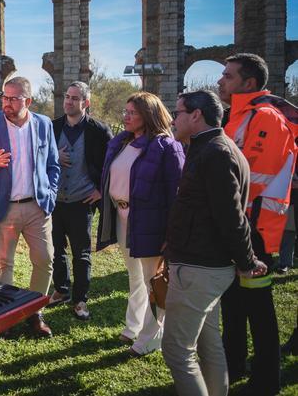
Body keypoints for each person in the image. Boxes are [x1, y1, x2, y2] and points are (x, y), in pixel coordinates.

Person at [162, 90, 267, 396]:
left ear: (196, 115)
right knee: (210, 345)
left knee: (177, 350)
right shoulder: (209, 148)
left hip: (200, 267)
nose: (173, 118)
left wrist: (247, 262)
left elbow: (232, 217)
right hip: (205, 265)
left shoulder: (217, 154)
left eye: (178, 111)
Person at [218, 53, 297, 395]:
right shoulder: (238, 117)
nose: (220, 81)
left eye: (228, 76)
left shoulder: (265, 117)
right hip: (237, 226)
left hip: (256, 231)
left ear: (248, 83)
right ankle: (233, 363)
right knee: (232, 301)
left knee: (259, 308)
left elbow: (253, 180)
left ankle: (266, 379)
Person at [96, 91, 184, 356]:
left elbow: (176, 193)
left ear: (148, 115)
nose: (126, 116)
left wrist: (171, 232)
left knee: (153, 281)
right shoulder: (121, 142)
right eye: (125, 111)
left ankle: (150, 338)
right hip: (123, 218)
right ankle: (133, 326)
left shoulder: (166, 146)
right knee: (135, 277)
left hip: (150, 221)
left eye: (132, 113)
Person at [0, 76, 60, 337]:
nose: (7, 103)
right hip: (3, 207)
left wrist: (50, 195)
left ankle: (35, 313)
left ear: (28, 101)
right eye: (4, 97)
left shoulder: (43, 124)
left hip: (37, 206)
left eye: (13, 98)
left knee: (45, 260)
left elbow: (53, 165)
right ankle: (7, 316)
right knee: (3, 264)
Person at [48, 81, 113, 319]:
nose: (68, 101)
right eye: (67, 96)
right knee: (56, 249)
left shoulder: (99, 130)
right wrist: (55, 154)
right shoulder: (52, 127)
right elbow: (39, 156)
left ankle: (81, 299)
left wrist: (99, 190)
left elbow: (112, 164)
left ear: (86, 103)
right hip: (54, 200)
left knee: (81, 252)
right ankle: (61, 289)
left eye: (75, 98)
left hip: (81, 200)